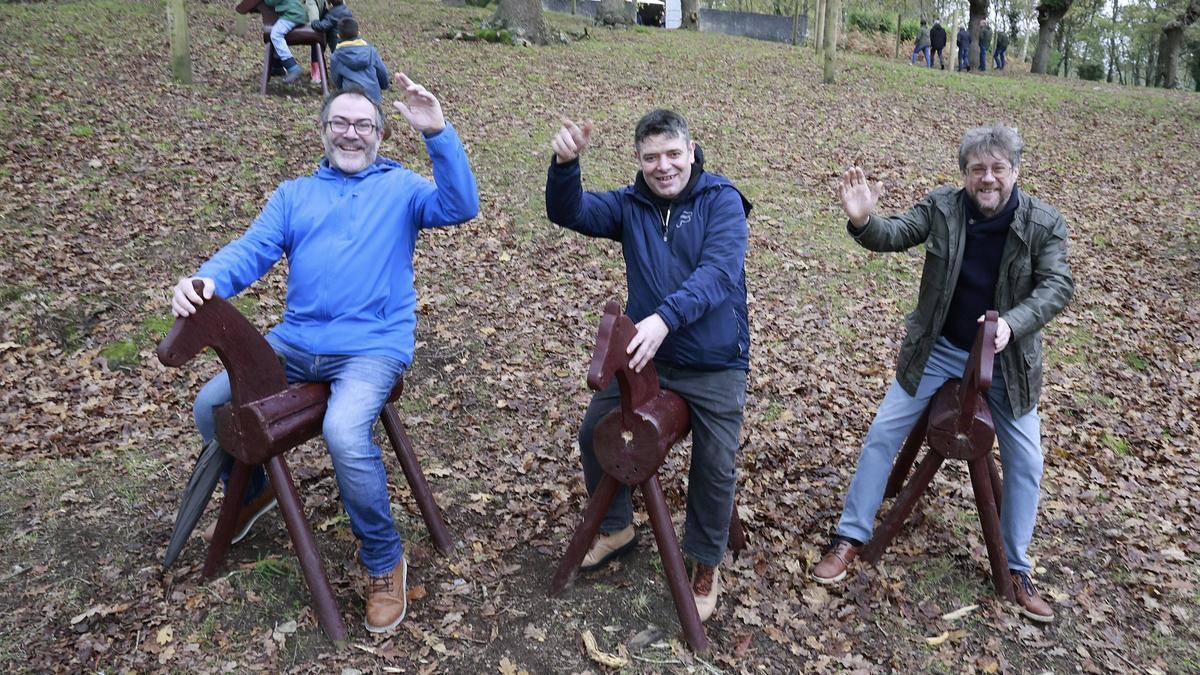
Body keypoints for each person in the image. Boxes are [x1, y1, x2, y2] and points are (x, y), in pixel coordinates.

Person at [170, 80, 479, 634]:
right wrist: (206, 279)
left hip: (372, 348)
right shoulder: (295, 195)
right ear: (324, 130)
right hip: (294, 343)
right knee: (210, 407)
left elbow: (460, 206)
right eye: (341, 123)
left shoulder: (402, 190)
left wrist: (437, 132)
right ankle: (256, 493)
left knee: (343, 431)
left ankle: (384, 562)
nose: (351, 134)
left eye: (364, 125)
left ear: (381, 136)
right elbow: (251, 251)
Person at [811, 124, 1074, 625]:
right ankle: (850, 537)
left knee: (1027, 459)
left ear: (1015, 171)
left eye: (998, 168)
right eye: (978, 169)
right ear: (965, 175)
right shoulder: (943, 208)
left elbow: (1058, 285)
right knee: (883, 431)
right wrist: (865, 220)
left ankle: (1017, 568)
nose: (988, 178)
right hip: (939, 350)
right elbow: (895, 234)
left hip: (1008, 362)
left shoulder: (1044, 223)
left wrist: (1012, 327)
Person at [545, 110, 752, 623]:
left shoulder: (721, 200)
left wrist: (663, 318)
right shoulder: (630, 205)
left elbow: (719, 273)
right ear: (638, 160)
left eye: (673, 155)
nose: (663, 167)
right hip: (650, 359)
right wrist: (565, 165)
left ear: (691, 150)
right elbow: (567, 212)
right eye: (651, 158)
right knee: (596, 426)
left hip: (713, 361)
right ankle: (615, 527)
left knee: (716, 460)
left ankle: (705, 561)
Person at [330, 18, 390, 104]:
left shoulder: (336, 56)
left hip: (349, 96)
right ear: (358, 33)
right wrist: (385, 85)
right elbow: (382, 71)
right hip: (372, 96)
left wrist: (341, 89)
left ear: (338, 36)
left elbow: (336, 79)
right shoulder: (371, 51)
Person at [265, 0, 310, 83]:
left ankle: (292, 67)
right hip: (296, 13)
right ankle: (277, 67)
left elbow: (271, 2)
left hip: (292, 14)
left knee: (276, 35)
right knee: (276, 31)